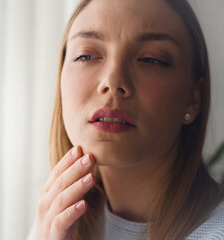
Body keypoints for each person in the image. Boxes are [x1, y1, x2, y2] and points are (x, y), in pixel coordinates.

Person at [29, 0, 224, 239]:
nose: (112, 81)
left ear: (193, 98)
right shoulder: (53, 225)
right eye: (86, 56)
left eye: (151, 59)